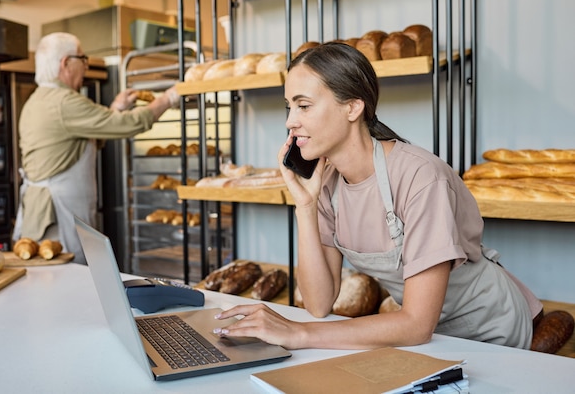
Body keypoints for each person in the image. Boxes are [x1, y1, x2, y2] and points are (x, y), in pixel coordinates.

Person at [213, 42, 543, 350]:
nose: (290, 122)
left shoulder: (419, 176)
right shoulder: (326, 183)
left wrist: (298, 333)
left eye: (303, 106)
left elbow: (416, 325)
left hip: (489, 330)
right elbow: (318, 303)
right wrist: (305, 206)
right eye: (288, 107)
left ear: (353, 107)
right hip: (427, 335)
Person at [12, 32, 179, 264]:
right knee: (67, 289)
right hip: (56, 222)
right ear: (65, 63)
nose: (86, 67)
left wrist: (116, 108)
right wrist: (170, 98)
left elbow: (85, 140)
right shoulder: (64, 102)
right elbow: (128, 124)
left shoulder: (39, 99)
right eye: (83, 59)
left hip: (43, 218)